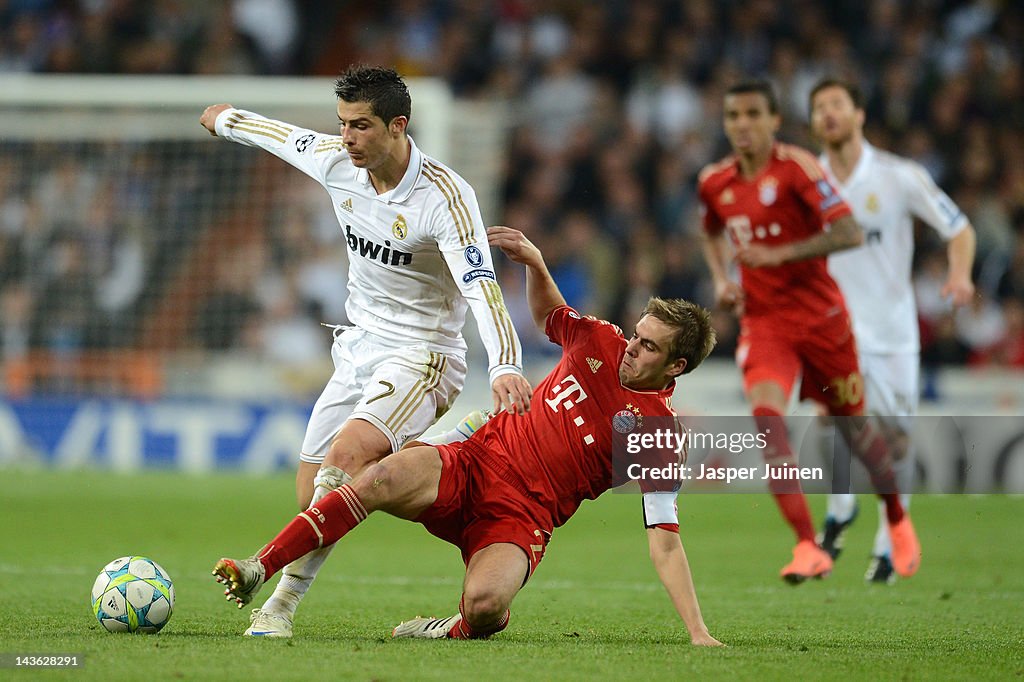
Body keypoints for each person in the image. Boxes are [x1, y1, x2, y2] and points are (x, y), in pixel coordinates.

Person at [213, 225, 722, 646]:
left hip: (523, 516)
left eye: (648, 346)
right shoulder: (602, 341)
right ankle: (261, 567)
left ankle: (453, 627)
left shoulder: (657, 437)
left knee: (485, 606)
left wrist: (698, 632)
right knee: (378, 475)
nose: (632, 347)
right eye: (636, 334)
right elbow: (549, 317)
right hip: (472, 461)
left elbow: (666, 545)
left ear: (676, 366)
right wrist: (536, 264)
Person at [199, 65, 533, 637]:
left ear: (398, 125)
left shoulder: (446, 199)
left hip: (424, 355)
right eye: (343, 124)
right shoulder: (336, 161)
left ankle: (277, 608)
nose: (347, 138)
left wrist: (505, 363)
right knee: (313, 497)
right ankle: (443, 448)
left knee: (346, 462)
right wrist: (227, 120)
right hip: (357, 349)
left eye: (360, 126)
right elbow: (282, 138)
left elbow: (482, 286)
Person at [697, 80, 919, 583]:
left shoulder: (798, 168)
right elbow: (710, 227)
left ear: (775, 121)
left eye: (753, 114)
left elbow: (849, 231)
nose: (742, 125)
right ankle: (805, 545)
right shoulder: (714, 182)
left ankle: (898, 520)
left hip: (823, 322)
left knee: (856, 430)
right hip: (766, 324)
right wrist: (719, 277)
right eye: (733, 115)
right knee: (767, 418)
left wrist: (778, 254)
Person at [809, 77, 976, 583]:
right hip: (832, 332)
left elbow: (959, 227)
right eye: (819, 108)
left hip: (892, 333)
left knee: (894, 439)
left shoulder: (899, 176)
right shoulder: (805, 180)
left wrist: (960, 273)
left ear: (860, 114)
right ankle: (841, 507)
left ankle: (888, 541)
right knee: (829, 423)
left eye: (838, 104)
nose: (828, 114)